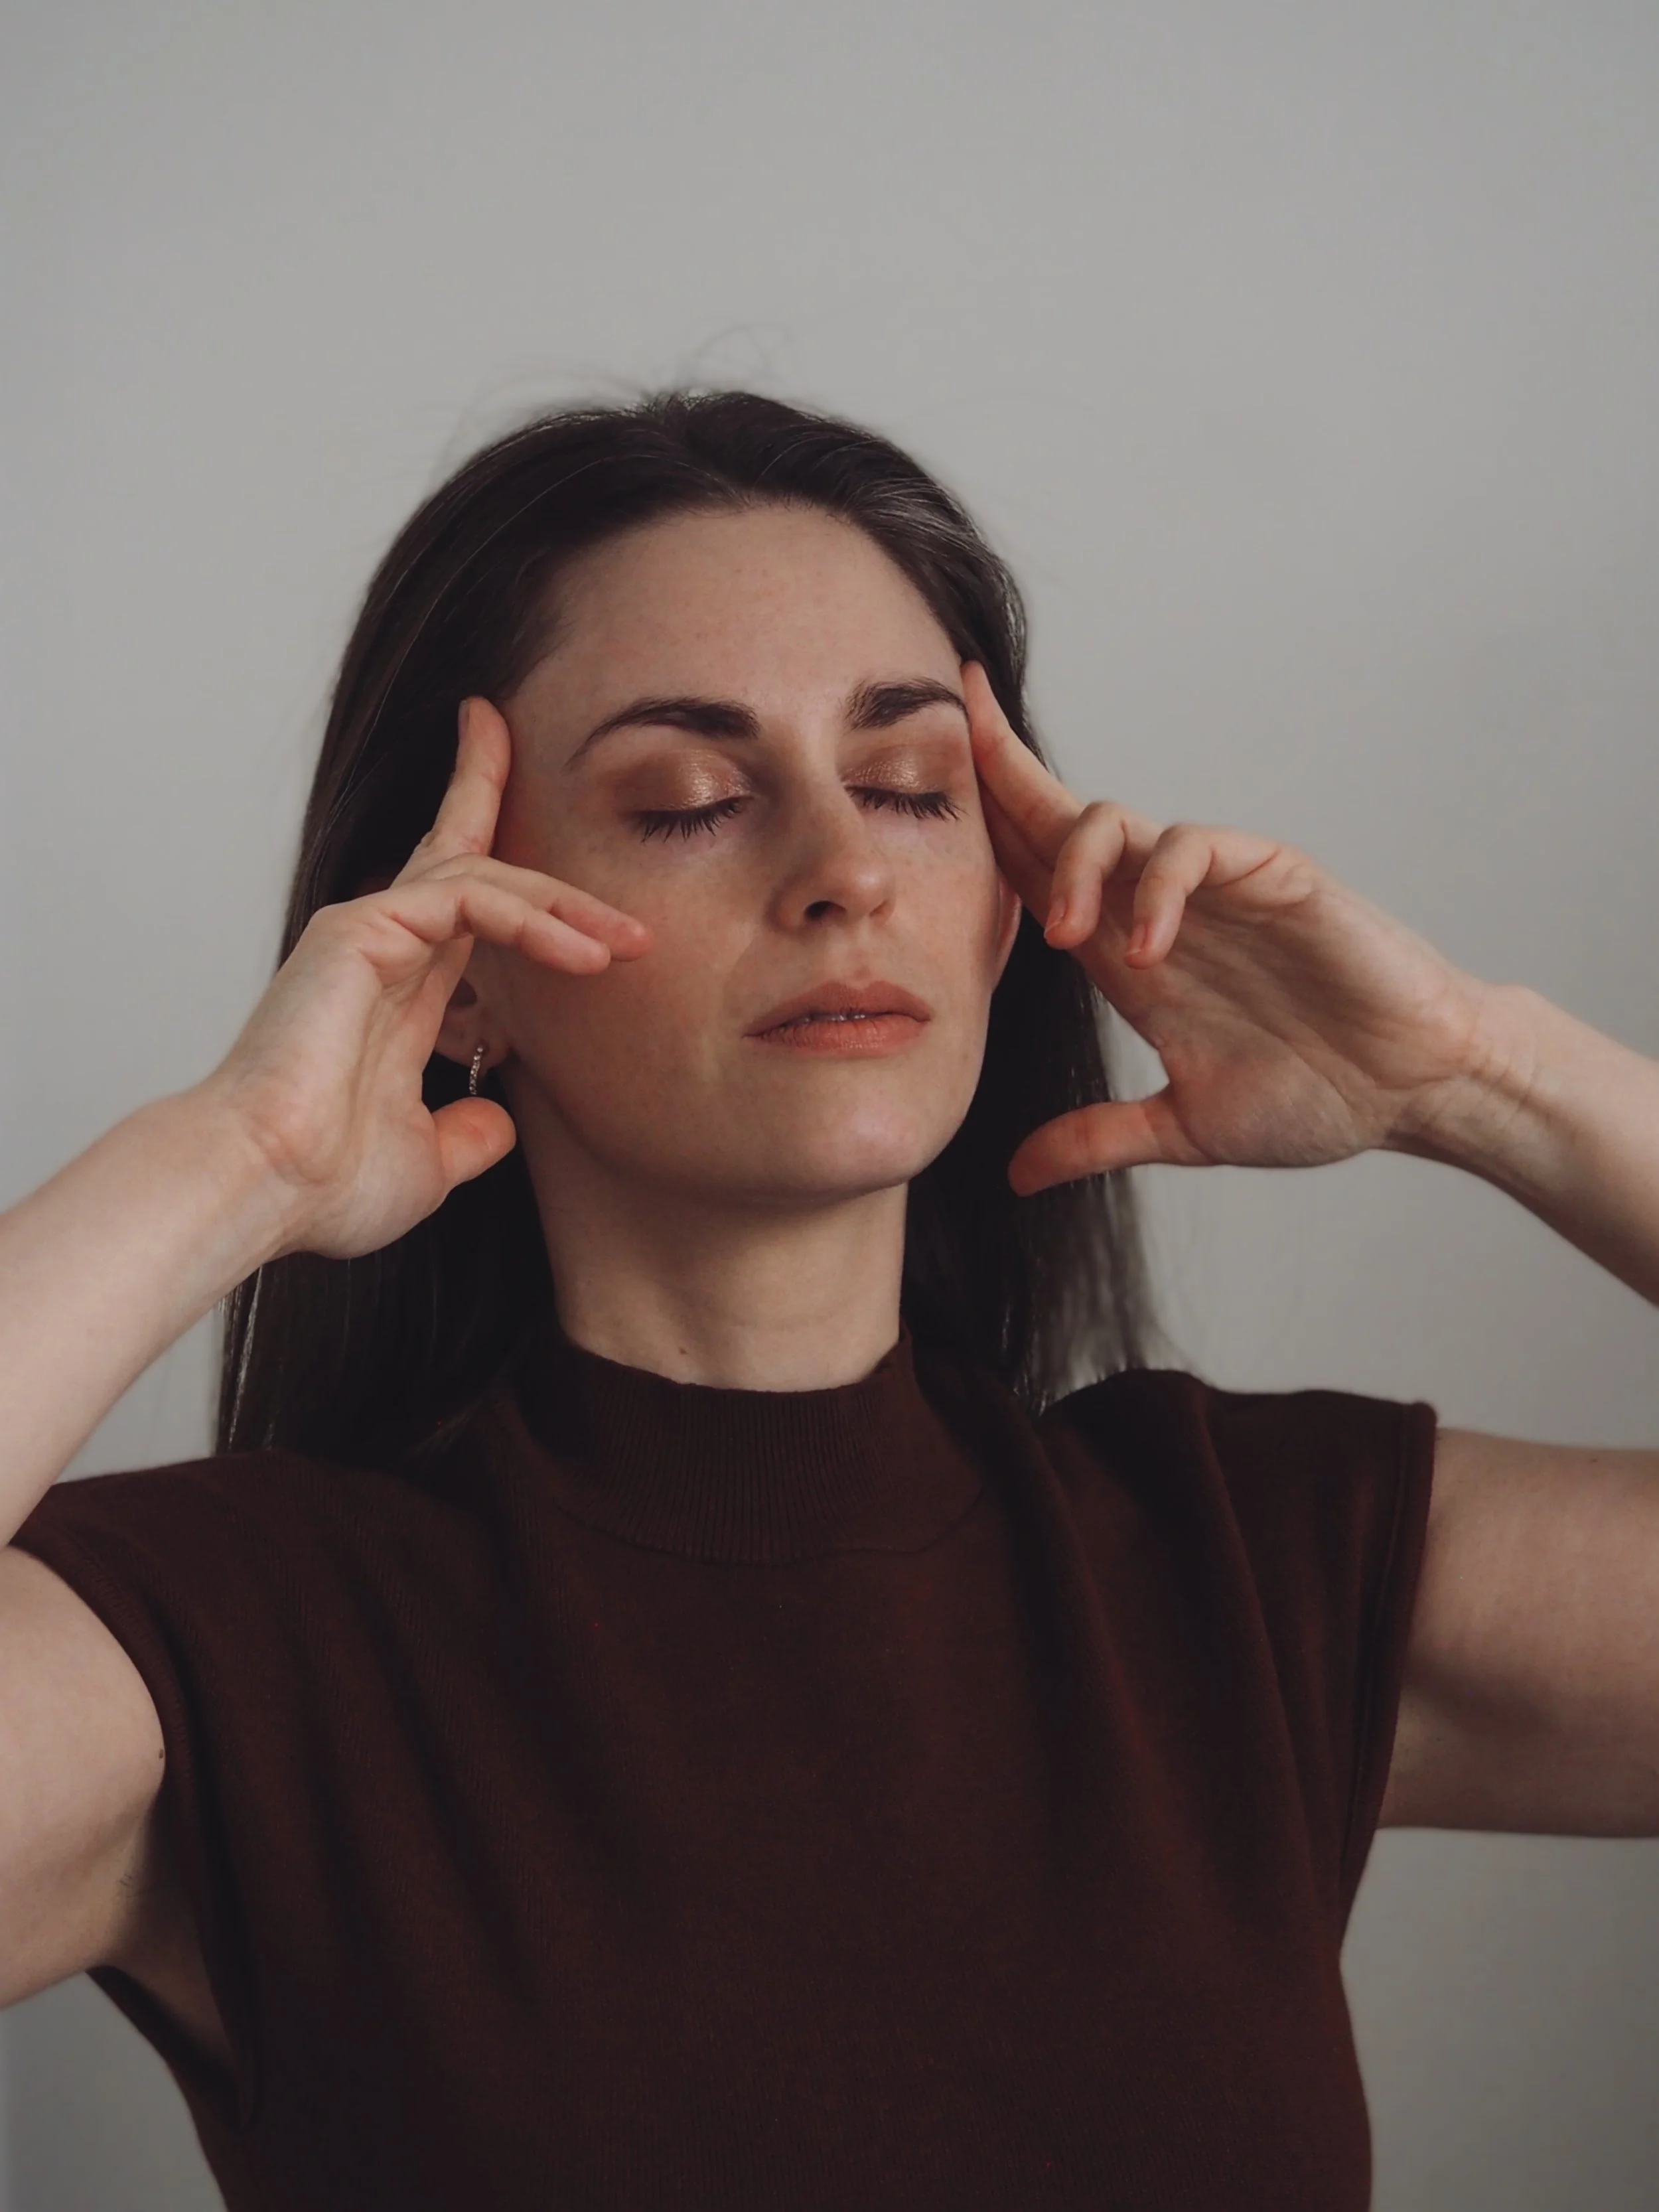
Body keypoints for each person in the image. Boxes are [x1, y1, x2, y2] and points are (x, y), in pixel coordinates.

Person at [1, 390, 1655, 2212]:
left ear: (1008, 894)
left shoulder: (1241, 1567)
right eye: (690, 800)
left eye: (910, 786)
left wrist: (1475, 1075)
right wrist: (226, 1159)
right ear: (458, 955)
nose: (844, 868)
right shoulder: (236, 1645)